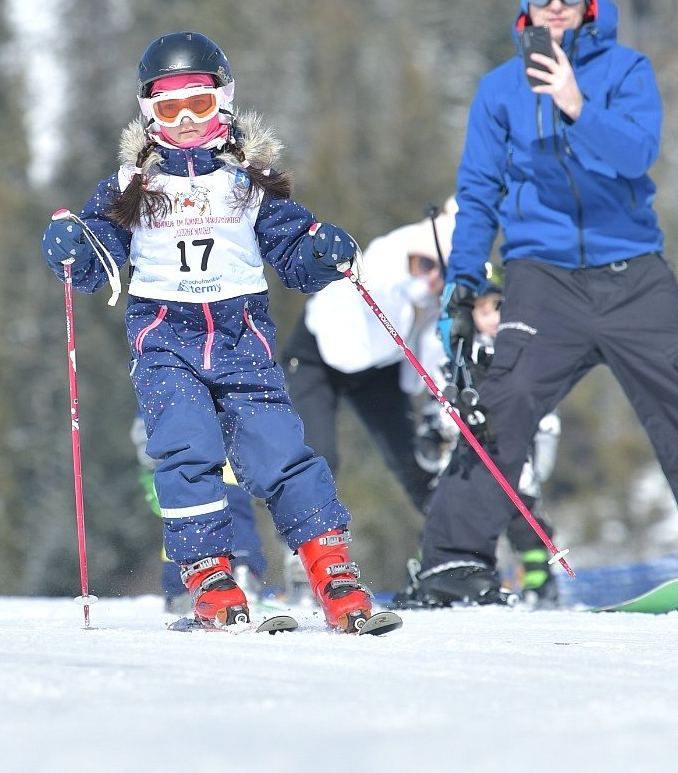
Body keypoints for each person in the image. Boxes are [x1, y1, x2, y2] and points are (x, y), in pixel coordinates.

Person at [431, 0, 678, 616]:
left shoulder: (626, 70)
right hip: (543, 278)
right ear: (523, 5)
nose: (555, 5)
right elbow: (478, 193)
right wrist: (463, 281)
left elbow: (636, 154)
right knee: (502, 403)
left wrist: (575, 103)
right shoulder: (499, 90)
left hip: (633, 274)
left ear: (589, 0)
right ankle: (453, 562)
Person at [41, 31, 398, 634]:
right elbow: (100, 255)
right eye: (168, 108)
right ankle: (209, 576)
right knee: (187, 451)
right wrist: (74, 247)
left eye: (199, 104)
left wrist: (320, 251)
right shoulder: (132, 186)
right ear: (148, 113)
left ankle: (331, 568)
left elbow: (291, 250)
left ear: (225, 102)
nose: (185, 120)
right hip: (165, 343)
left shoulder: (250, 180)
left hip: (241, 339)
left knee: (279, 452)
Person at [396, 268, 564, 609]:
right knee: (443, 514)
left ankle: (540, 579)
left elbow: (543, 408)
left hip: (512, 455)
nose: (492, 319)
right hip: (465, 459)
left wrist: (544, 447)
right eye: (483, 311)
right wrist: (432, 436)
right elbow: (440, 403)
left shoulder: (522, 354)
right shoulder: (457, 358)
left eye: (498, 309)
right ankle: (430, 572)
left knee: (523, 517)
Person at [283, 201, 456, 513]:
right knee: (317, 456)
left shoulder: (436, 293)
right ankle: (305, 534)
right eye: (426, 265)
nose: (431, 278)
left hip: (377, 369)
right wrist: (409, 291)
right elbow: (377, 283)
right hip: (318, 358)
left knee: (415, 463)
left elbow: (433, 345)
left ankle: (447, 535)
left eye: (441, 272)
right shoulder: (390, 253)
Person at [130, 417, 266, 613]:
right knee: (224, 509)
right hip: (218, 452)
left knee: (184, 517)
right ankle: (240, 573)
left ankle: (183, 588)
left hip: (182, 458)